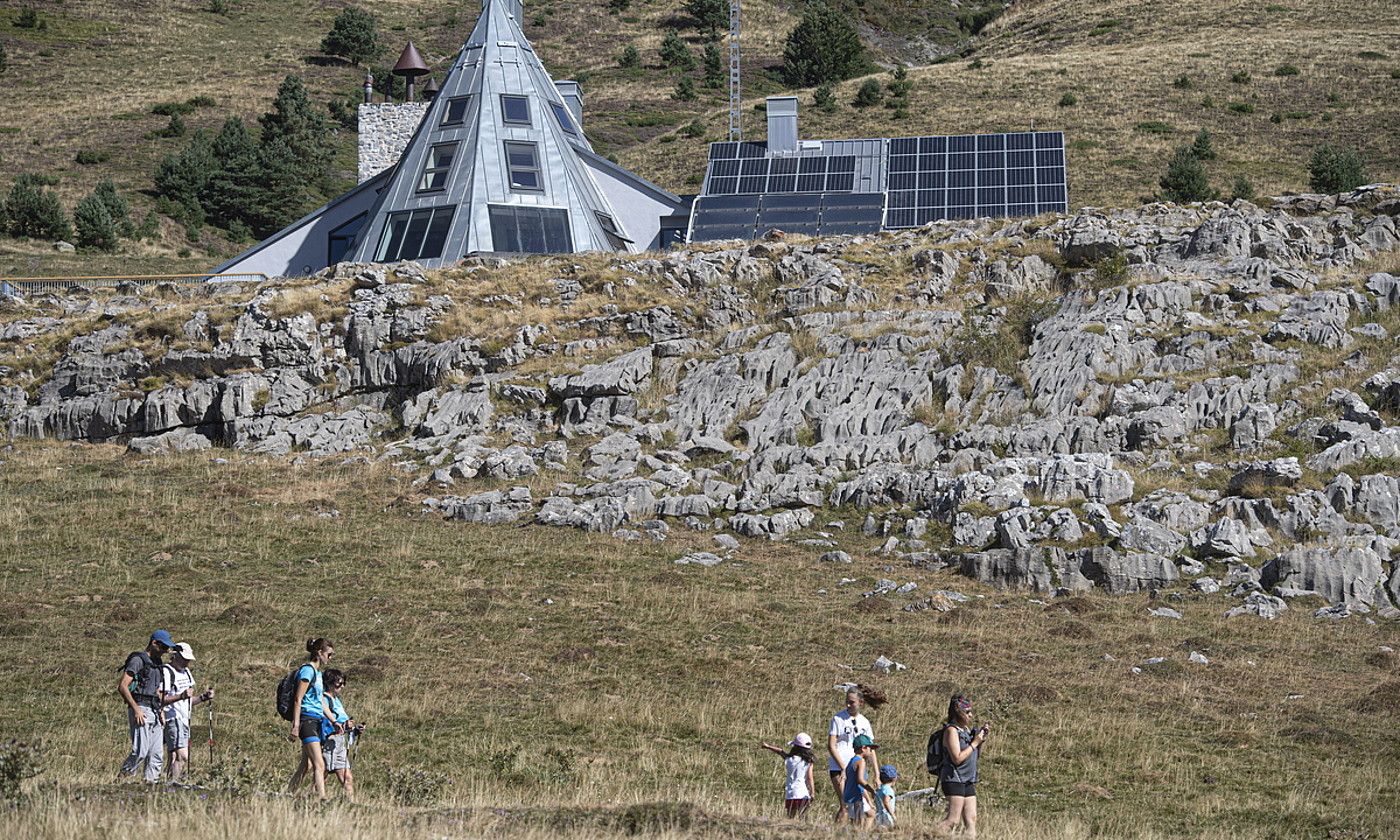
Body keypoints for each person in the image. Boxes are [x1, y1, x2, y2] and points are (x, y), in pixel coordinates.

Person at [117, 630, 174, 783]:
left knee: (156, 753)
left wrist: (161, 710)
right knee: (140, 751)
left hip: (154, 710)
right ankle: (121, 779)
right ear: (154, 643)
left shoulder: (158, 663)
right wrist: (136, 709)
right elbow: (123, 686)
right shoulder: (138, 660)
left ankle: (150, 784)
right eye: (163, 647)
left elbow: (156, 689)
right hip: (140, 707)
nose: (165, 651)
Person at [287, 638, 338, 801]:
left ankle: (289, 793)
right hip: (307, 720)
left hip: (316, 720)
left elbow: (320, 702)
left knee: (306, 765)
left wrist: (334, 720)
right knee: (319, 763)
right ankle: (322, 798)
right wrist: (295, 725)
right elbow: (298, 699)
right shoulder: (307, 671)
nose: (330, 658)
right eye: (329, 655)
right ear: (319, 652)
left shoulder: (318, 674)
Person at [827, 684, 886, 823]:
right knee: (845, 804)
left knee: (858, 806)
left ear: (861, 703)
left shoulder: (864, 722)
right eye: (847, 701)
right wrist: (843, 767)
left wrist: (877, 774)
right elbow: (831, 745)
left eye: (852, 702)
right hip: (839, 766)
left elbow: (870, 750)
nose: (848, 704)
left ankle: (853, 833)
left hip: (857, 766)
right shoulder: (838, 719)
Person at [934, 694, 988, 839]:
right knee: (953, 820)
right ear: (959, 712)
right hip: (954, 778)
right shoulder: (951, 731)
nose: (971, 715)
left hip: (968, 779)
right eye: (968, 712)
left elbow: (973, 756)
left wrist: (979, 741)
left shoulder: (966, 731)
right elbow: (957, 758)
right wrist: (974, 743)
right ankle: (927, 835)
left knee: (971, 820)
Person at [159, 642, 215, 783]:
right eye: (184, 658)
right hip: (173, 718)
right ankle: (173, 784)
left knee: (173, 756)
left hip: (184, 719)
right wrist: (181, 696)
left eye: (188, 659)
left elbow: (188, 701)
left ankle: (168, 785)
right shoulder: (166, 672)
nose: (187, 662)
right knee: (182, 756)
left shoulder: (186, 673)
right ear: (175, 655)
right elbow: (160, 699)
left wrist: (203, 697)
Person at [320, 668, 364, 802]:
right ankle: (315, 800)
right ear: (329, 683)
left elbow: (342, 723)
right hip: (328, 742)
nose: (342, 686)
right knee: (322, 776)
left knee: (347, 778)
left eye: (343, 683)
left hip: (339, 742)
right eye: (339, 683)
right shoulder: (324, 700)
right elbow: (325, 721)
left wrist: (355, 729)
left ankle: (352, 805)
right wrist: (344, 725)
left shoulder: (336, 700)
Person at [760, 732, 816, 818]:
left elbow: (780, 751)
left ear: (795, 747)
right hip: (803, 793)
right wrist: (812, 792)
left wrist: (768, 747)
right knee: (803, 818)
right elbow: (810, 778)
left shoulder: (789, 759)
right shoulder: (808, 761)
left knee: (790, 818)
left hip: (791, 794)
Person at [842, 733, 879, 829]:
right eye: (870, 749)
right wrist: (872, 790)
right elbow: (860, 780)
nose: (871, 752)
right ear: (863, 748)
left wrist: (869, 801)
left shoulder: (851, 761)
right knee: (858, 824)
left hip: (852, 795)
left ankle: (864, 834)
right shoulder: (861, 761)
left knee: (870, 814)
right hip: (855, 797)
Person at [874, 764, 898, 829]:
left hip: (878, 816)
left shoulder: (879, 790)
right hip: (886, 816)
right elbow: (886, 802)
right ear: (894, 778)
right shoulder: (888, 790)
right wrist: (893, 815)